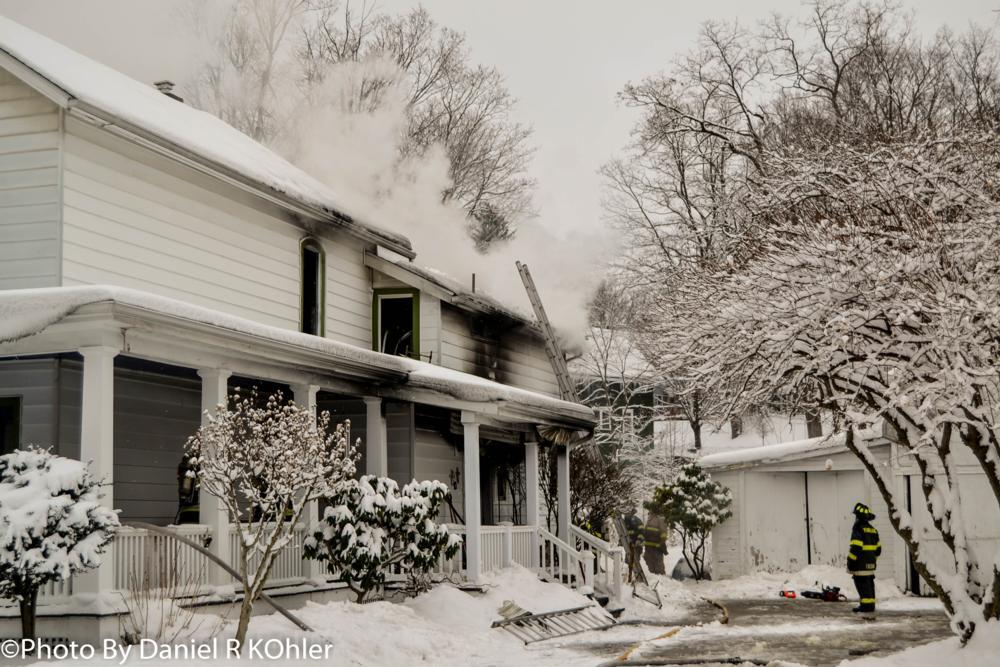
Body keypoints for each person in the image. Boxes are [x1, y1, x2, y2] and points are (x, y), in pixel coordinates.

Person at [848, 502, 881, 614]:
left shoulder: (857, 528)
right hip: (871, 564)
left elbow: (856, 547)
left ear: (858, 516)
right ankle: (870, 605)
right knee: (869, 583)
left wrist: (851, 560)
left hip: (860, 563)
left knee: (862, 584)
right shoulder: (873, 529)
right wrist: (871, 558)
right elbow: (878, 550)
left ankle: (866, 607)